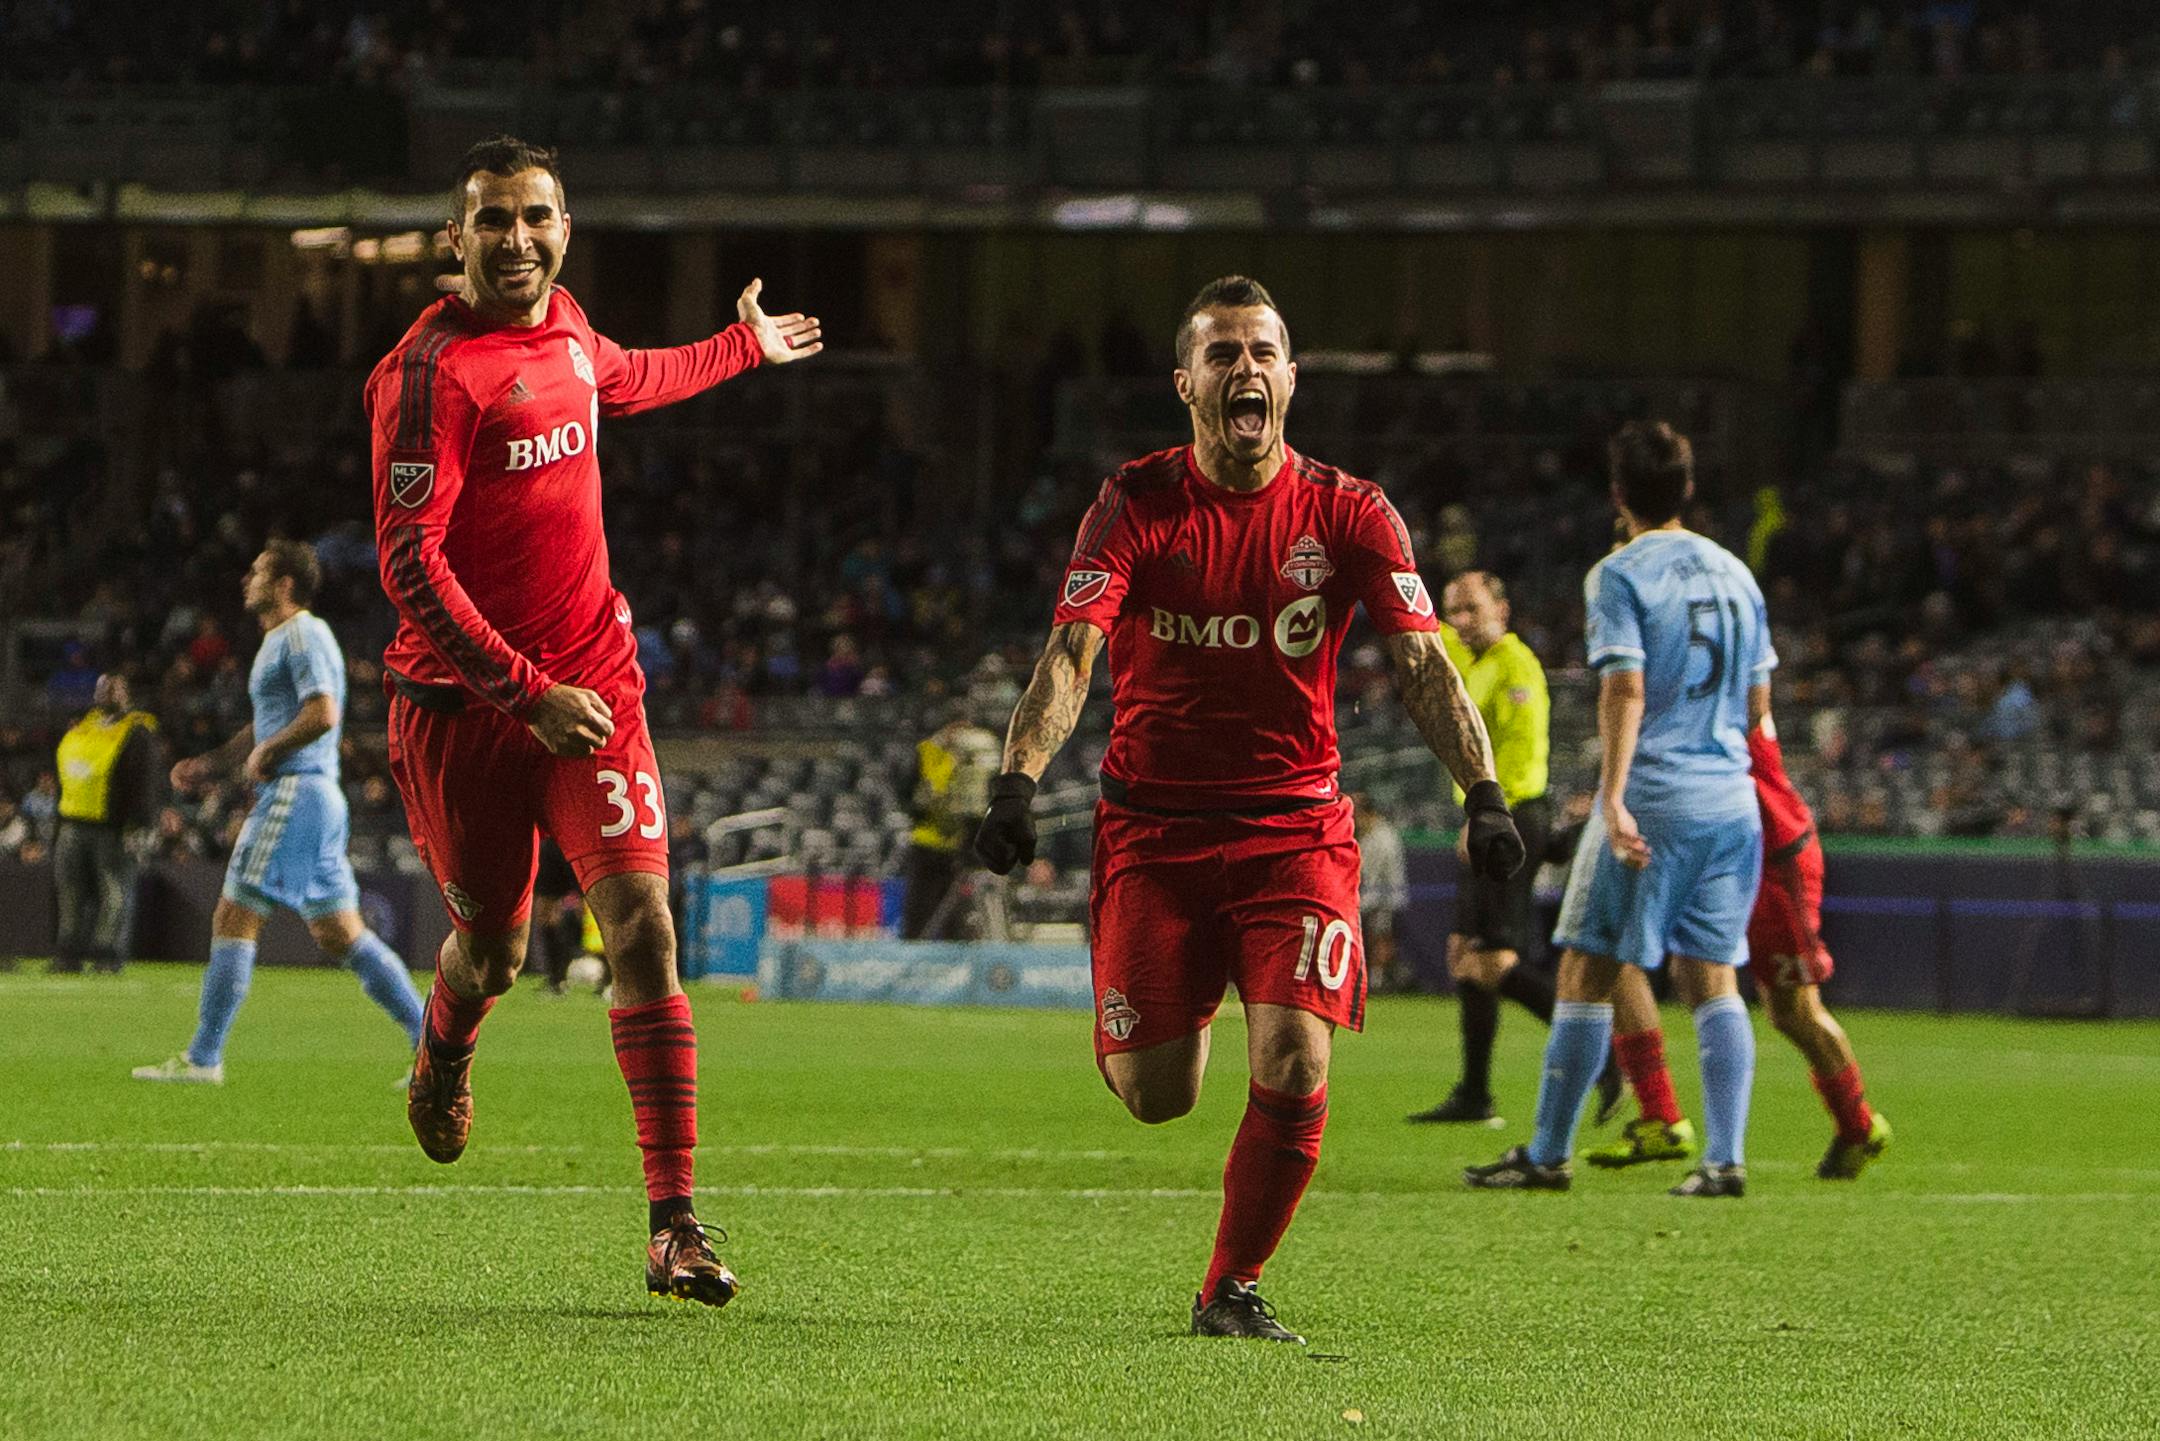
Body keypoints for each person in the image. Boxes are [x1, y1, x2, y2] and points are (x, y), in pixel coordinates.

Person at [973, 275, 1524, 1344]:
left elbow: (1422, 661)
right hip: (1155, 831)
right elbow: (1075, 648)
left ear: (1291, 377)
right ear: (1186, 382)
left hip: (1293, 832)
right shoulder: (1133, 502)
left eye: (1263, 352)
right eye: (1222, 355)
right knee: (1155, 1093)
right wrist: (1017, 780)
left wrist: (1486, 791)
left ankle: (1231, 1284)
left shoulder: (1351, 511)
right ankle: (1197, 993)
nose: (1246, 370)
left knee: (1297, 1061)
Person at [367, 135, 821, 1308]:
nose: (519, 240)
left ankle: (675, 1222)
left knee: (644, 929)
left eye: (538, 217)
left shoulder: (567, 325)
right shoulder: (429, 378)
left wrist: (742, 346)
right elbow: (409, 567)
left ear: (564, 228)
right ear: (452, 241)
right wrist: (523, 690)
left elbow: (631, 374)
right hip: (467, 711)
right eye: (495, 221)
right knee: (497, 949)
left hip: (596, 683)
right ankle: (445, 1046)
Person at [1466, 421, 1771, 1199]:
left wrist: (1611, 794)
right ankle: (1726, 1158)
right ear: (1689, 488)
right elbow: (1760, 703)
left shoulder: (1619, 574)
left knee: (1586, 965)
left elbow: (1625, 686)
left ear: (1616, 494)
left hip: (1657, 797)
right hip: (1733, 799)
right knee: (1713, 975)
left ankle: (1546, 1152)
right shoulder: (1738, 574)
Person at [133, 542, 426, 1085]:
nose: (248, 577)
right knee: (341, 933)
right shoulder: (277, 641)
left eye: (259, 570)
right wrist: (215, 763)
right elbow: (268, 725)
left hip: (296, 791)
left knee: (234, 914)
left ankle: (203, 1058)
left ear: (286, 583)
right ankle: (431, 1044)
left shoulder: (303, 633)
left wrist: (268, 754)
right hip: (314, 795)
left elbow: (321, 713)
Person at [1587, 719, 1892, 1178]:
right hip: (1705, 847)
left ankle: (1858, 1126)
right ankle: (1660, 1115)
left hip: (1773, 857)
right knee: (1651, 964)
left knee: (1792, 1011)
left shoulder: (1731, 687)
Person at [1408, 572, 1620, 1125]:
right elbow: (1421, 632)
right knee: (1463, 955)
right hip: (1485, 814)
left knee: (1493, 959)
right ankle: (1475, 1096)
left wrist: (1486, 812)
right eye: (1454, 610)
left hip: (1510, 814)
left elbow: (1522, 760)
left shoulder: (1516, 666)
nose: (1460, 620)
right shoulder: (1468, 656)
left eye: (1472, 609)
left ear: (1502, 609)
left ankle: (1607, 1062)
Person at [51, 673, 161, 973]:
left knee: (114, 891)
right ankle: (68, 953)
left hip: (113, 826)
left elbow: (146, 780)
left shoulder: (137, 731)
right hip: (73, 821)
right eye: (102, 688)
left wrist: (142, 823)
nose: (106, 694)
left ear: (126, 694)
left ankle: (107, 955)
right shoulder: (84, 727)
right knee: (69, 891)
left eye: (113, 688)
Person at [900, 703, 1002, 939]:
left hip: (959, 843)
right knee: (919, 908)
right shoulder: (928, 750)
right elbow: (910, 793)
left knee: (956, 915)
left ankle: (952, 957)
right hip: (927, 841)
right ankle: (912, 950)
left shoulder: (977, 755)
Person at [1351, 794, 1405, 994]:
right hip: (1372, 895)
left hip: (1386, 896)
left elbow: (1378, 876)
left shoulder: (1383, 837)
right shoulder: (1367, 835)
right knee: (1371, 936)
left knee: (1380, 937)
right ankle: (1370, 977)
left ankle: (1377, 981)